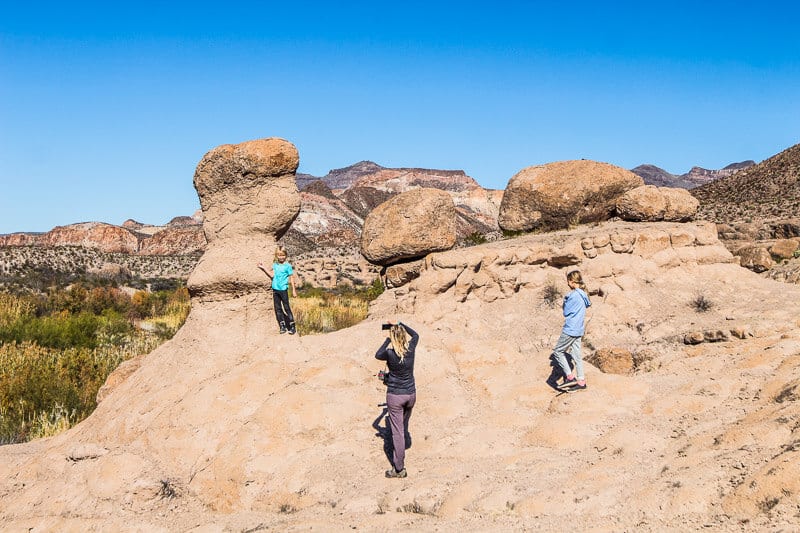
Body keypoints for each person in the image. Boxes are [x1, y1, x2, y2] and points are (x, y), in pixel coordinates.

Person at [375, 321, 419, 478]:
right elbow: (416, 334)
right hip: (410, 395)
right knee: (403, 425)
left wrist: (388, 338)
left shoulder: (389, 353)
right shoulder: (411, 349)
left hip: (395, 396)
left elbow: (377, 354)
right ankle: (401, 451)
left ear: (393, 338)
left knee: (397, 433)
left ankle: (399, 469)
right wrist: (401, 324)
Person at [553, 270, 591, 391]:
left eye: (568, 282)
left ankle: (570, 378)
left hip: (570, 329)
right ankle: (581, 381)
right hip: (579, 329)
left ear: (572, 281)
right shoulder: (583, 294)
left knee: (558, 352)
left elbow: (565, 313)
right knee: (577, 355)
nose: (567, 284)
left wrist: (565, 301)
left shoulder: (573, 295)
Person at [258, 247, 297, 334]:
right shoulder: (275, 265)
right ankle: (282, 326)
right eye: (279, 255)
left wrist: (294, 290)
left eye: (283, 255)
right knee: (278, 309)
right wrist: (263, 267)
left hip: (283, 290)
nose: (281, 257)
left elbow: (291, 278)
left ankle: (292, 326)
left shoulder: (288, 266)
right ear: (276, 256)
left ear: (286, 255)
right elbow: (272, 275)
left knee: (287, 308)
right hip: (275, 289)